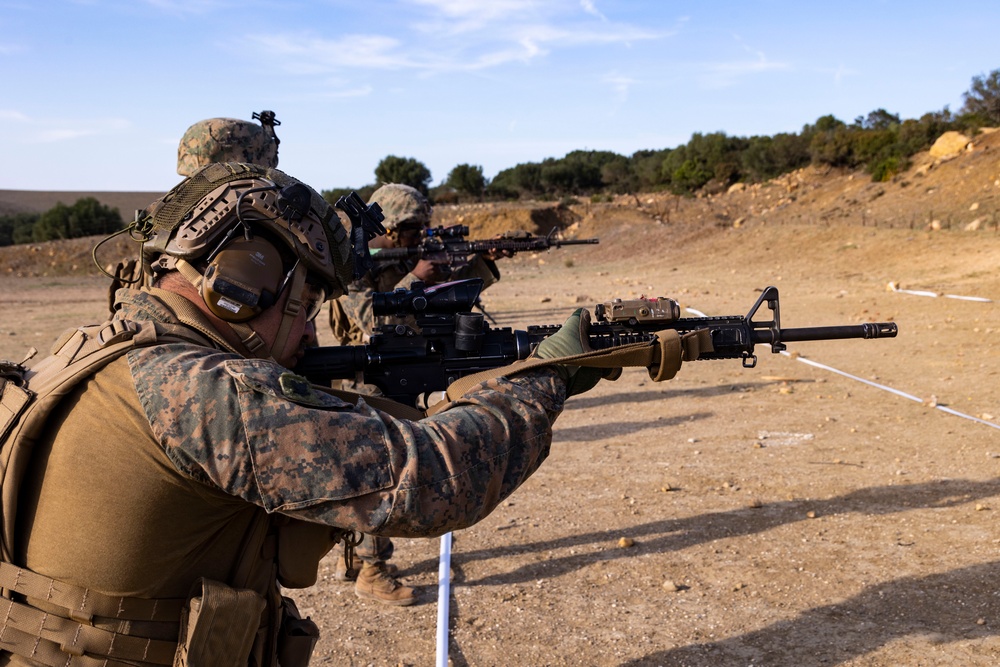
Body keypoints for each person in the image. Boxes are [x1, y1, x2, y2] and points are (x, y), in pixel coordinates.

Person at [0, 161, 662, 666]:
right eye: (307, 303)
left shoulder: (85, 351)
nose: (311, 336)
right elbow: (436, 480)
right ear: (248, 274)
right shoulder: (199, 388)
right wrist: (547, 376)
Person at [326, 183, 507, 606]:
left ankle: (352, 558)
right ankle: (372, 570)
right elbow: (370, 319)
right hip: (366, 381)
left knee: (361, 477)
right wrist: (417, 277)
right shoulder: (356, 265)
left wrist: (478, 263)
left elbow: (446, 303)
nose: (416, 237)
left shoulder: (407, 257)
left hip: (399, 371)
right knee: (382, 475)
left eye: (421, 228)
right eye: (409, 229)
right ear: (387, 228)